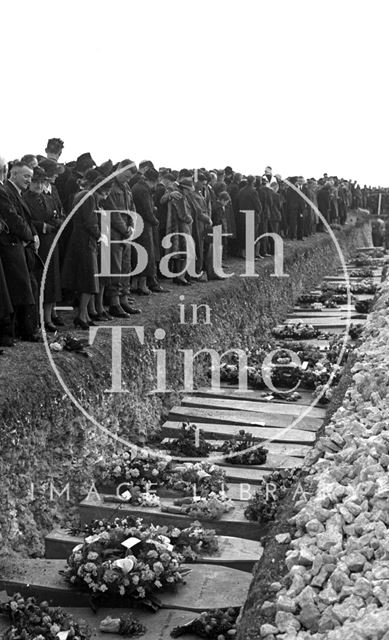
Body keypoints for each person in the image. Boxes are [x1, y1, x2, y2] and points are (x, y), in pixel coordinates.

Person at [61, 168, 112, 329]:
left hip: (78, 240)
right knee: (89, 281)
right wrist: (100, 236)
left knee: (85, 279)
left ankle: (85, 315)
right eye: (106, 192)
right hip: (86, 241)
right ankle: (82, 316)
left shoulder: (81, 194)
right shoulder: (89, 197)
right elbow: (90, 221)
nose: (106, 196)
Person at [0, 160, 41, 341]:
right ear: (12, 174)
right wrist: (30, 236)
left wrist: (33, 234)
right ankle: (20, 331)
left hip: (19, 244)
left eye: (30, 177)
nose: (28, 180)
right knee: (19, 288)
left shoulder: (14, 192)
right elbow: (13, 219)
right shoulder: (6, 192)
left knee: (24, 287)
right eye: (25, 176)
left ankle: (24, 330)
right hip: (12, 246)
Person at [24, 166, 62, 332]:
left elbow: (59, 216)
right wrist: (42, 226)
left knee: (52, 280)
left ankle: (48, 318)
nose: (38, 186)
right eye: (35, 182)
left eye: (41, 182)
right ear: (29, 183)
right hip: (37, 243)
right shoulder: (24, 199)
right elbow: (25, 221)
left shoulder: (48, 198)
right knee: (39, 280)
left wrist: (55, 224)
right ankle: (38, 320)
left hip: (51, 242)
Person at [103, 159, 141, 317]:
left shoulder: (126, 187)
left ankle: (124, 299)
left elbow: (131, 208)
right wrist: (125, 229)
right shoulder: (109, 185)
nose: (127, 179)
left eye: (129, 178)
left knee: (126, 266)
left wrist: (131, 226)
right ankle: (114, 303)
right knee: (115, 268)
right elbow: (112, 210)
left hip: (126, 233)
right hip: (114, 233)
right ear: (119, 168)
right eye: (125, 175)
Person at [131, 166, 163, 294]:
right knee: (146, 255)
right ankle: (142, 285)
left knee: (137, 255)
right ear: (153, 180)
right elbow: (147, 211)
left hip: (138, 225)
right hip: (144, 226)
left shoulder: (137, 187)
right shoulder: (143, 190)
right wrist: (156, 221)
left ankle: (134, 284)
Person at [236, 175, 262, 259]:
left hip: (242, 215)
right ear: (254, 182)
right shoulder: (253, 192)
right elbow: (258, 206)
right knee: (252, 236)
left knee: (243, 235)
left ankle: (243, 253)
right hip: (252, 215)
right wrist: (259, 212)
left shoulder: (241, 191)